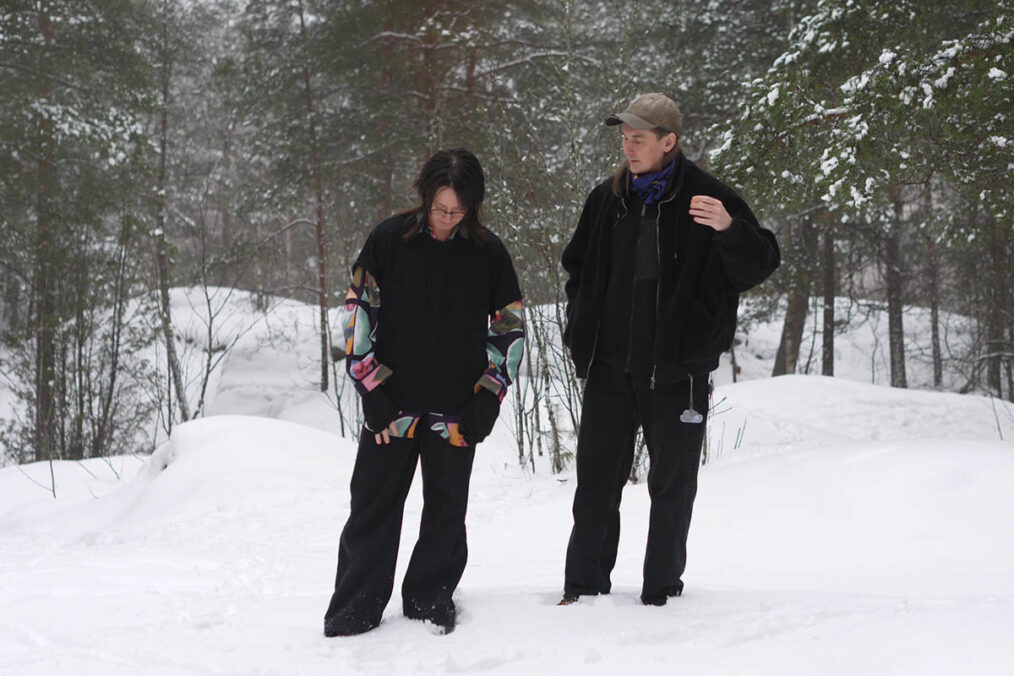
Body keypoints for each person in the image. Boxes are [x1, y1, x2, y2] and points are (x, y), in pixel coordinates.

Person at [559, 93, 779, 606]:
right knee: (594, 487)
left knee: (672, 490)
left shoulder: (708, 199)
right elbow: (577, 267)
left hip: (677, 375)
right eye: (624, 138)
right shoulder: (606, 199)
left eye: (639, 138)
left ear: (669, 141)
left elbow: (760, 263)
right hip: (610, 370)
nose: (628, 147)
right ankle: (583, 589)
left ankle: (661, 594)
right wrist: (580, 324)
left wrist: (729, 230)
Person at [323, 148, 524, 636]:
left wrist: (489, 394)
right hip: (391, 406)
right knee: (373, 505)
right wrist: (369, 388)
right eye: (440, 208)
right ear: (424, 197)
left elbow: (509, 327)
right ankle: (357, 604)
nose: (447, 219)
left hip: (456, 409)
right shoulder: (389, 240)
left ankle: (430, 597)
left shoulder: (488, 252)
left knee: (446, 509)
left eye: (458, 211)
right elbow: (358, 315)